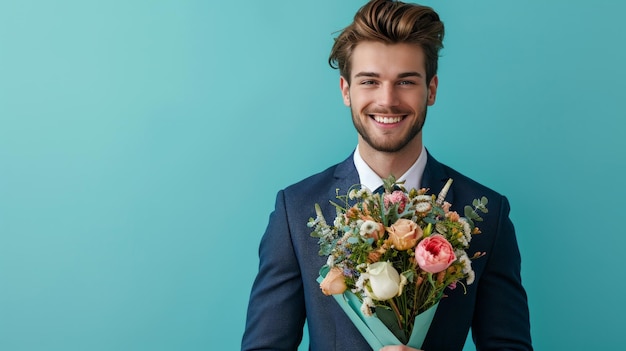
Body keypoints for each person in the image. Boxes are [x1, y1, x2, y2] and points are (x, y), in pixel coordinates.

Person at [241, 0, 532, 350]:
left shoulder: (488, 212)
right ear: (346, 91)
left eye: (406, 81)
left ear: (432, 90)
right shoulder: (296, 209)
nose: (388, 100)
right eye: (370, 81)